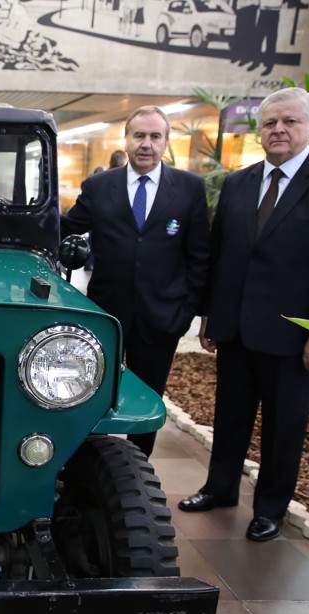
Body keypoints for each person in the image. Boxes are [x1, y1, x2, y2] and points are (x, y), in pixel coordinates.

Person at [179, 87, 309, 542]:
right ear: (260, 131)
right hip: (236, 330)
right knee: (229, 416)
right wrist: (210, 316)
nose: (279, 130)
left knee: (284, 426)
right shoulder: (239, 183)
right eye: (270, 123)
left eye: (289, 121)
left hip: (293, 336)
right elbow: (223, 254)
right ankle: (220, 487)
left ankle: (270, 508)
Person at [64, 105, 210, 456]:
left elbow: (200, 254)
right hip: (107, 314)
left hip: (162, 316)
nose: (146, 144)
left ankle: (140, 468)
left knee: (148, 399)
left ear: (166, 142)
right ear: (126, 140)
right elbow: (66, 229)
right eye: (139, 135)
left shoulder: (190, 188)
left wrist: (188, 310)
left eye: (155, 136)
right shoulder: (100, 186)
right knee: (91, 391)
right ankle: (90, 465)